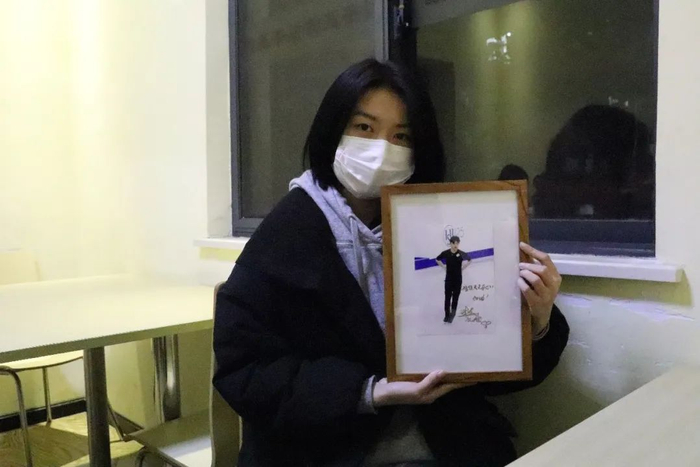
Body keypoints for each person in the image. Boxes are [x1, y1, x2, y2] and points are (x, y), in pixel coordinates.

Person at [213, 58, 569, 467]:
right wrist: (370, 392)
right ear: (333, 129)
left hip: (448, 447)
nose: (382, 148)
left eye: (402, 136)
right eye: (364, 127)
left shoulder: (445, 222)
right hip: (326, 453)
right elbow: (245, 371)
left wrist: (537, 322)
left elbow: (494, 368)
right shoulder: (284, 236)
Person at [436, 236, 471, 322]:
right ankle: (447, 315)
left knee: (455, 298)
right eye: (454, 243)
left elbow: (469, 260)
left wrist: (463, 268)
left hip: (458, 279)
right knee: (447, 297)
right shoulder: (446, 253)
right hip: (449, 279)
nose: (456, 245)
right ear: (450, 244)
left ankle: (452, 315)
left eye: (457, 243)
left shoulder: (461, 253)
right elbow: (437, 259)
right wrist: (444, 267)